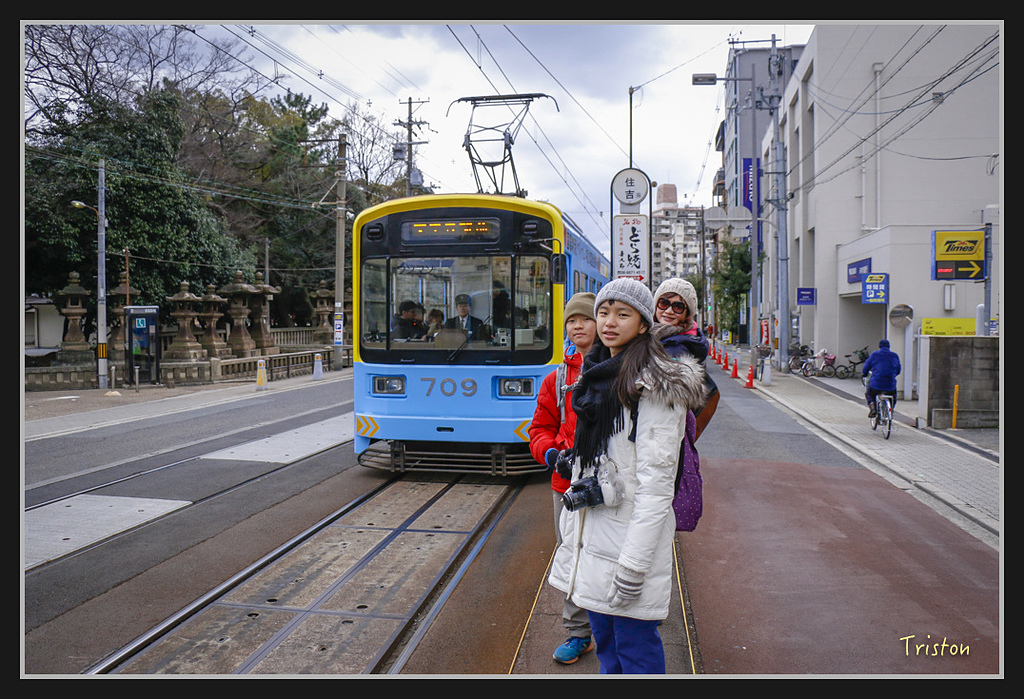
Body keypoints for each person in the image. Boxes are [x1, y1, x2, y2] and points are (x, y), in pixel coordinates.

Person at [547, 278, 707, 674]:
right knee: (607, 648)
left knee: (636, 650)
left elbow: (656, 488)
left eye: (623, 314)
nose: (608, 322)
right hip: (594, 533)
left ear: (642, 323)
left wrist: (634, 565)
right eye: (603, 312)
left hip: (629, 542)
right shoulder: (597, 374)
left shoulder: (655, 385)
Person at [528, 292, 598, 665]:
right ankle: (579, 633)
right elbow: (538, 429)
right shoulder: (555, 379)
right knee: (572, 555)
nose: (577, 326)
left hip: (611, 486)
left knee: (609, 554)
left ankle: (613, 625)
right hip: (566, 485)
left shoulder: (619, 369)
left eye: (585, 319)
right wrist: (552, 455)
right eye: (571, 321)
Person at [651, 278, 718, 438]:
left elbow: (663, 407)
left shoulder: (677, 347)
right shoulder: (657, 336)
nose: (668, 311)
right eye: (664, 303)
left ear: (687, 314)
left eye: (678, 306)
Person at [862, 338, 901, 417]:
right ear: (889, 346)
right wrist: (892, 375)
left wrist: (864, 374)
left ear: (879, 346)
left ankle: (873, 408)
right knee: (893, 396)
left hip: (876, 383)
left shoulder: (875, 355)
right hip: (890, 384)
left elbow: (866, 366)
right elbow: (898, 369)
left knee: (869, 393)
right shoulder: (894, 356)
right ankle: (890, 410)